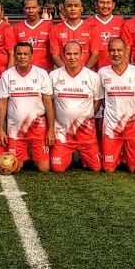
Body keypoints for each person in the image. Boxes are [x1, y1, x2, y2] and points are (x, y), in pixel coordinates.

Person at [0, 42, 56, 173]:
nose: (22, 57)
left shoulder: (41, 74)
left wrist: (51, 128)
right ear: (15, 56)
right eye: (19, 54)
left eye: (25, 54)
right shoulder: (7, 75)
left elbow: (48, 103)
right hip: (15, 130)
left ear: (31, 56)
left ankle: (32, 156)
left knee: (44, 168)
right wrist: (1, 130)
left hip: (38, 129)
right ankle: (25, 156)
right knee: (13, 168)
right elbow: (2, 104)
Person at [49, 41, 103, 173]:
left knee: (96, 168)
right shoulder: (54, 75)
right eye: (68, 54)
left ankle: (82, 156)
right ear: (63, 55)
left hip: (86, 132)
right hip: (62, 132)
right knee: (57, 168)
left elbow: (98, 100)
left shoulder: (92, 77)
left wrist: (88, 115)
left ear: (81, 55)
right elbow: (49, 101)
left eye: (75, 54)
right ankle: (69, 154)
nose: (72, 57)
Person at [99, 38, 135, 173]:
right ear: (108, 52)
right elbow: (101, 99)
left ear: (126, 51)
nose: (115, 53)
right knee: (108, 169)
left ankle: (126, 157)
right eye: (112, 50)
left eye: (119, 50)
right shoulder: (102, 72)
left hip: (132, 126)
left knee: (133, 169)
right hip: (112, 126)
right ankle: (116, 155)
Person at [86, 0, 129, 70]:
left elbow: (126, 47)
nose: (105, 6)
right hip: (93, 69)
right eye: (102, 2)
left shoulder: (122, 22)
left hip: (115, 69)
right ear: (96, 5)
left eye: (108, 3)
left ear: (113, 5)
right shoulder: (87, 23)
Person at [49, 0, 93, 71]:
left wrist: (84, 73)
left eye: (76, 6)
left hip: (86, 75)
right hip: (64, 74)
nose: (73, 9)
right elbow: (55, 55)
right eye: (69, 6)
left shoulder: (92, 28)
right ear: (63, 10)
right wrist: (66, 72)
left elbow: (95, 54)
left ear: (81, 9)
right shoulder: (55, 29)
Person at [12, 0, 52, 70]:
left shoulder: (50, 27)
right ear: (23, 9)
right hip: (23, 72)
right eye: (27, 8)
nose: (31, 11)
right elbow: (13, 53)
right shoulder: (16, 28)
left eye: (34, 7)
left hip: (45, 72)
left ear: (39, 8)